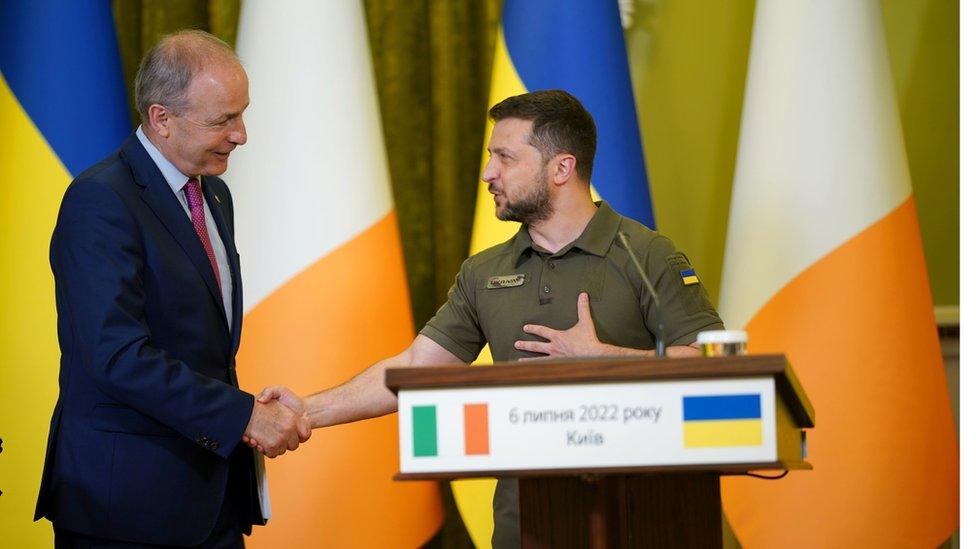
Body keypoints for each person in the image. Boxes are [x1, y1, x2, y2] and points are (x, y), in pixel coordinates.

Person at [252, 89, 723, 547]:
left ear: (561, 168)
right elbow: (417, 368)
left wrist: (601, 359)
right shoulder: (484, 272)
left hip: (648, 519)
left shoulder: (646, 253)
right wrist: (305, 411)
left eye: (505, 158)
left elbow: (714, 362)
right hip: (526, 526)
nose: (487, 173)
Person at [35, 30, 309, 548]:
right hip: (125, 509)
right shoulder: (101, 201)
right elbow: (117, 355)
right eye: (223, 120)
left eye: (242, 113)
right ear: (161, 119)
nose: (242, 134)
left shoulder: (215, 194)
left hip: (211, 497)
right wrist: (245, 415)